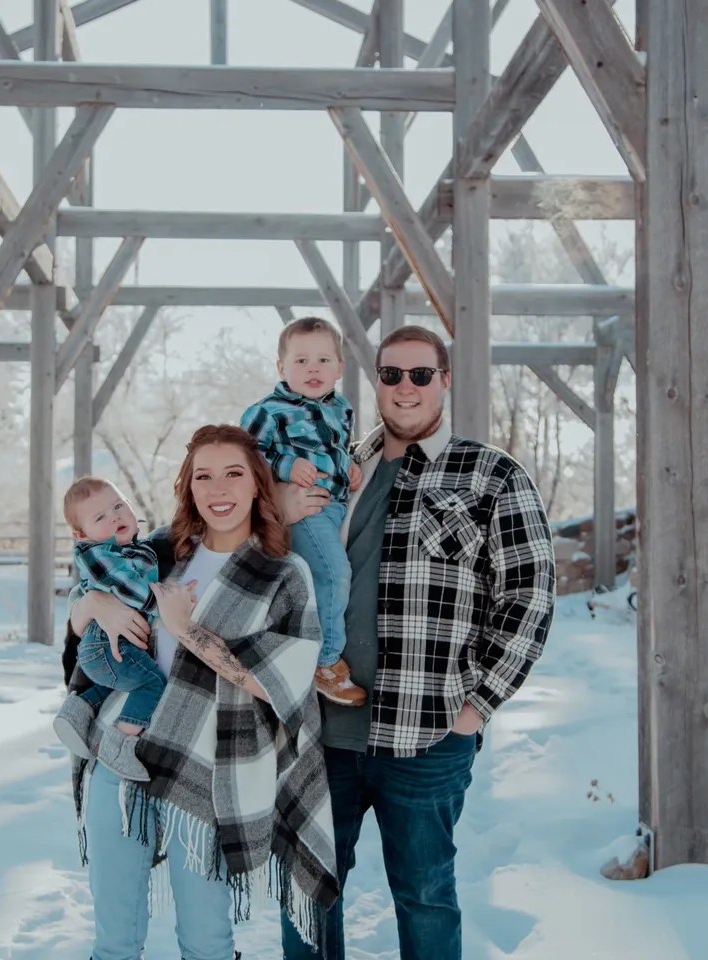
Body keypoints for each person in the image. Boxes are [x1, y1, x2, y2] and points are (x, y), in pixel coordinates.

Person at [279, 325, 557, 960]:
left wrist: (475, 707)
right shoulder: (336, 467)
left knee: (426, 894)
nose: (405, 388)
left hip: (428, 735)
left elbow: (529, 597)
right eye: (391, 374)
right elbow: (253, 542)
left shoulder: (490, 475)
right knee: (308, 894)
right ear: (376, 382)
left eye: (420, 374)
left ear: (445, 380)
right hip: (321, 733)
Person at [64, 424, 339, 960]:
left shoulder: (284, 574)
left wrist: (186, 629)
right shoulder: (162, 553)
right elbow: (84, 620)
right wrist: (92, 606)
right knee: (114, 939)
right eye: (203, 476)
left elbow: (275, 682)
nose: (218, 489)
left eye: (234, 474)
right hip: (121, 752)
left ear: (258, 484)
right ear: (188, 488)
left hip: (210, 770)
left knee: (206, 942)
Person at [241, 316, 366, 707]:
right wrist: (284, 467)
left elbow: (333, 449)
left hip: (335, 508)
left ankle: (303, 649)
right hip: (306, 509)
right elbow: (247, 456)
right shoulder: (268, 411)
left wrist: (348, 464)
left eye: (324, 360)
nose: (313, 369)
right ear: (281, 367)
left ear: (340, 368)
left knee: (322, 580)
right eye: (301, 361)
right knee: (333, 572)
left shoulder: (340, 408)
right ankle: (326, 662)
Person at [53, 476, 165, 762]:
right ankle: (119, 743)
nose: (115, 517)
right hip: (104, 644)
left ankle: (78, 710)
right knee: (151, 683)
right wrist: (165, 603)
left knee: (113, 682)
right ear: (82, 535)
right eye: (101, 516)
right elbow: (128, 586)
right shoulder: (100, 555)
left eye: (118, 505)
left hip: (105, 648)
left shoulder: (135, 547)